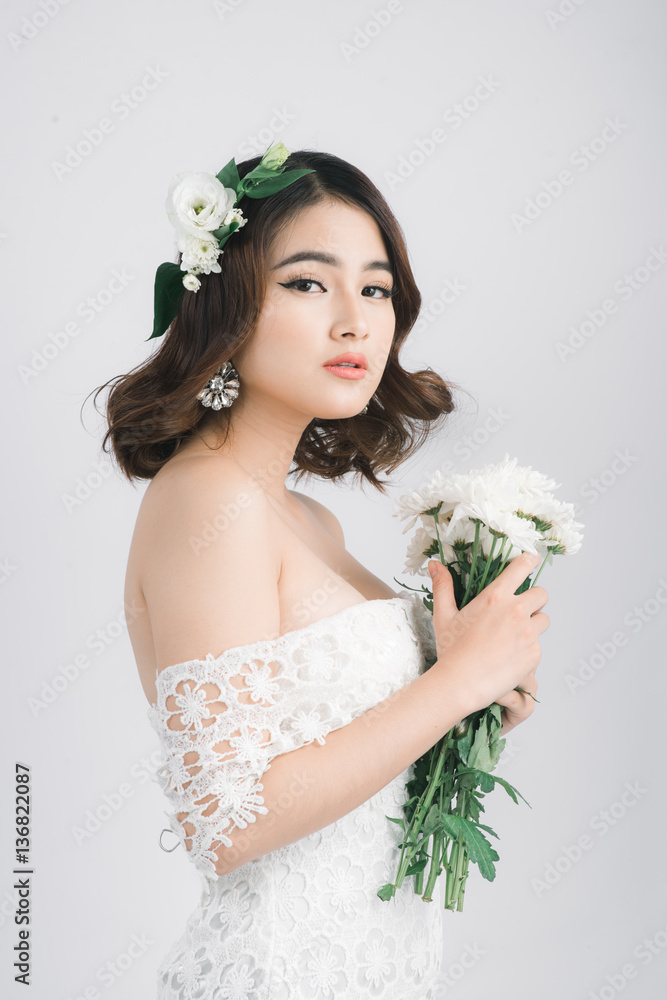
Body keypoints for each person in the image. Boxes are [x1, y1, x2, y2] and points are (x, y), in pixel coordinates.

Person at [94, 144, 548, 999]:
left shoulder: (310, 518)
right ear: (225, 305)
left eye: (375, 288)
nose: (356, 320)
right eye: (308, 282)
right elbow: (225, 821)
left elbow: (344, 763)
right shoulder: (205, 501)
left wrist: (476, 700)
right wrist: (450, 685)